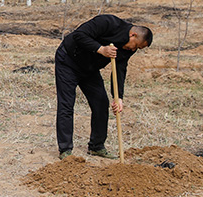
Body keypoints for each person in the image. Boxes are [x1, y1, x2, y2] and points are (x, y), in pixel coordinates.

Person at [55, 14, 153, 160]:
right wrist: (100, 49)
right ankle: (65, 150)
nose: (134, 50)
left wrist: (118, 97)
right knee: (67, 105)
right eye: (137, 46)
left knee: (101, 103)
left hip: (89, 69)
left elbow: (119, 71)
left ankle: (96, 146)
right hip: (68, 61)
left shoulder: (127, 49)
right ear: (133, 35)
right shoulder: (108, 22)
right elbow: (79, 35)